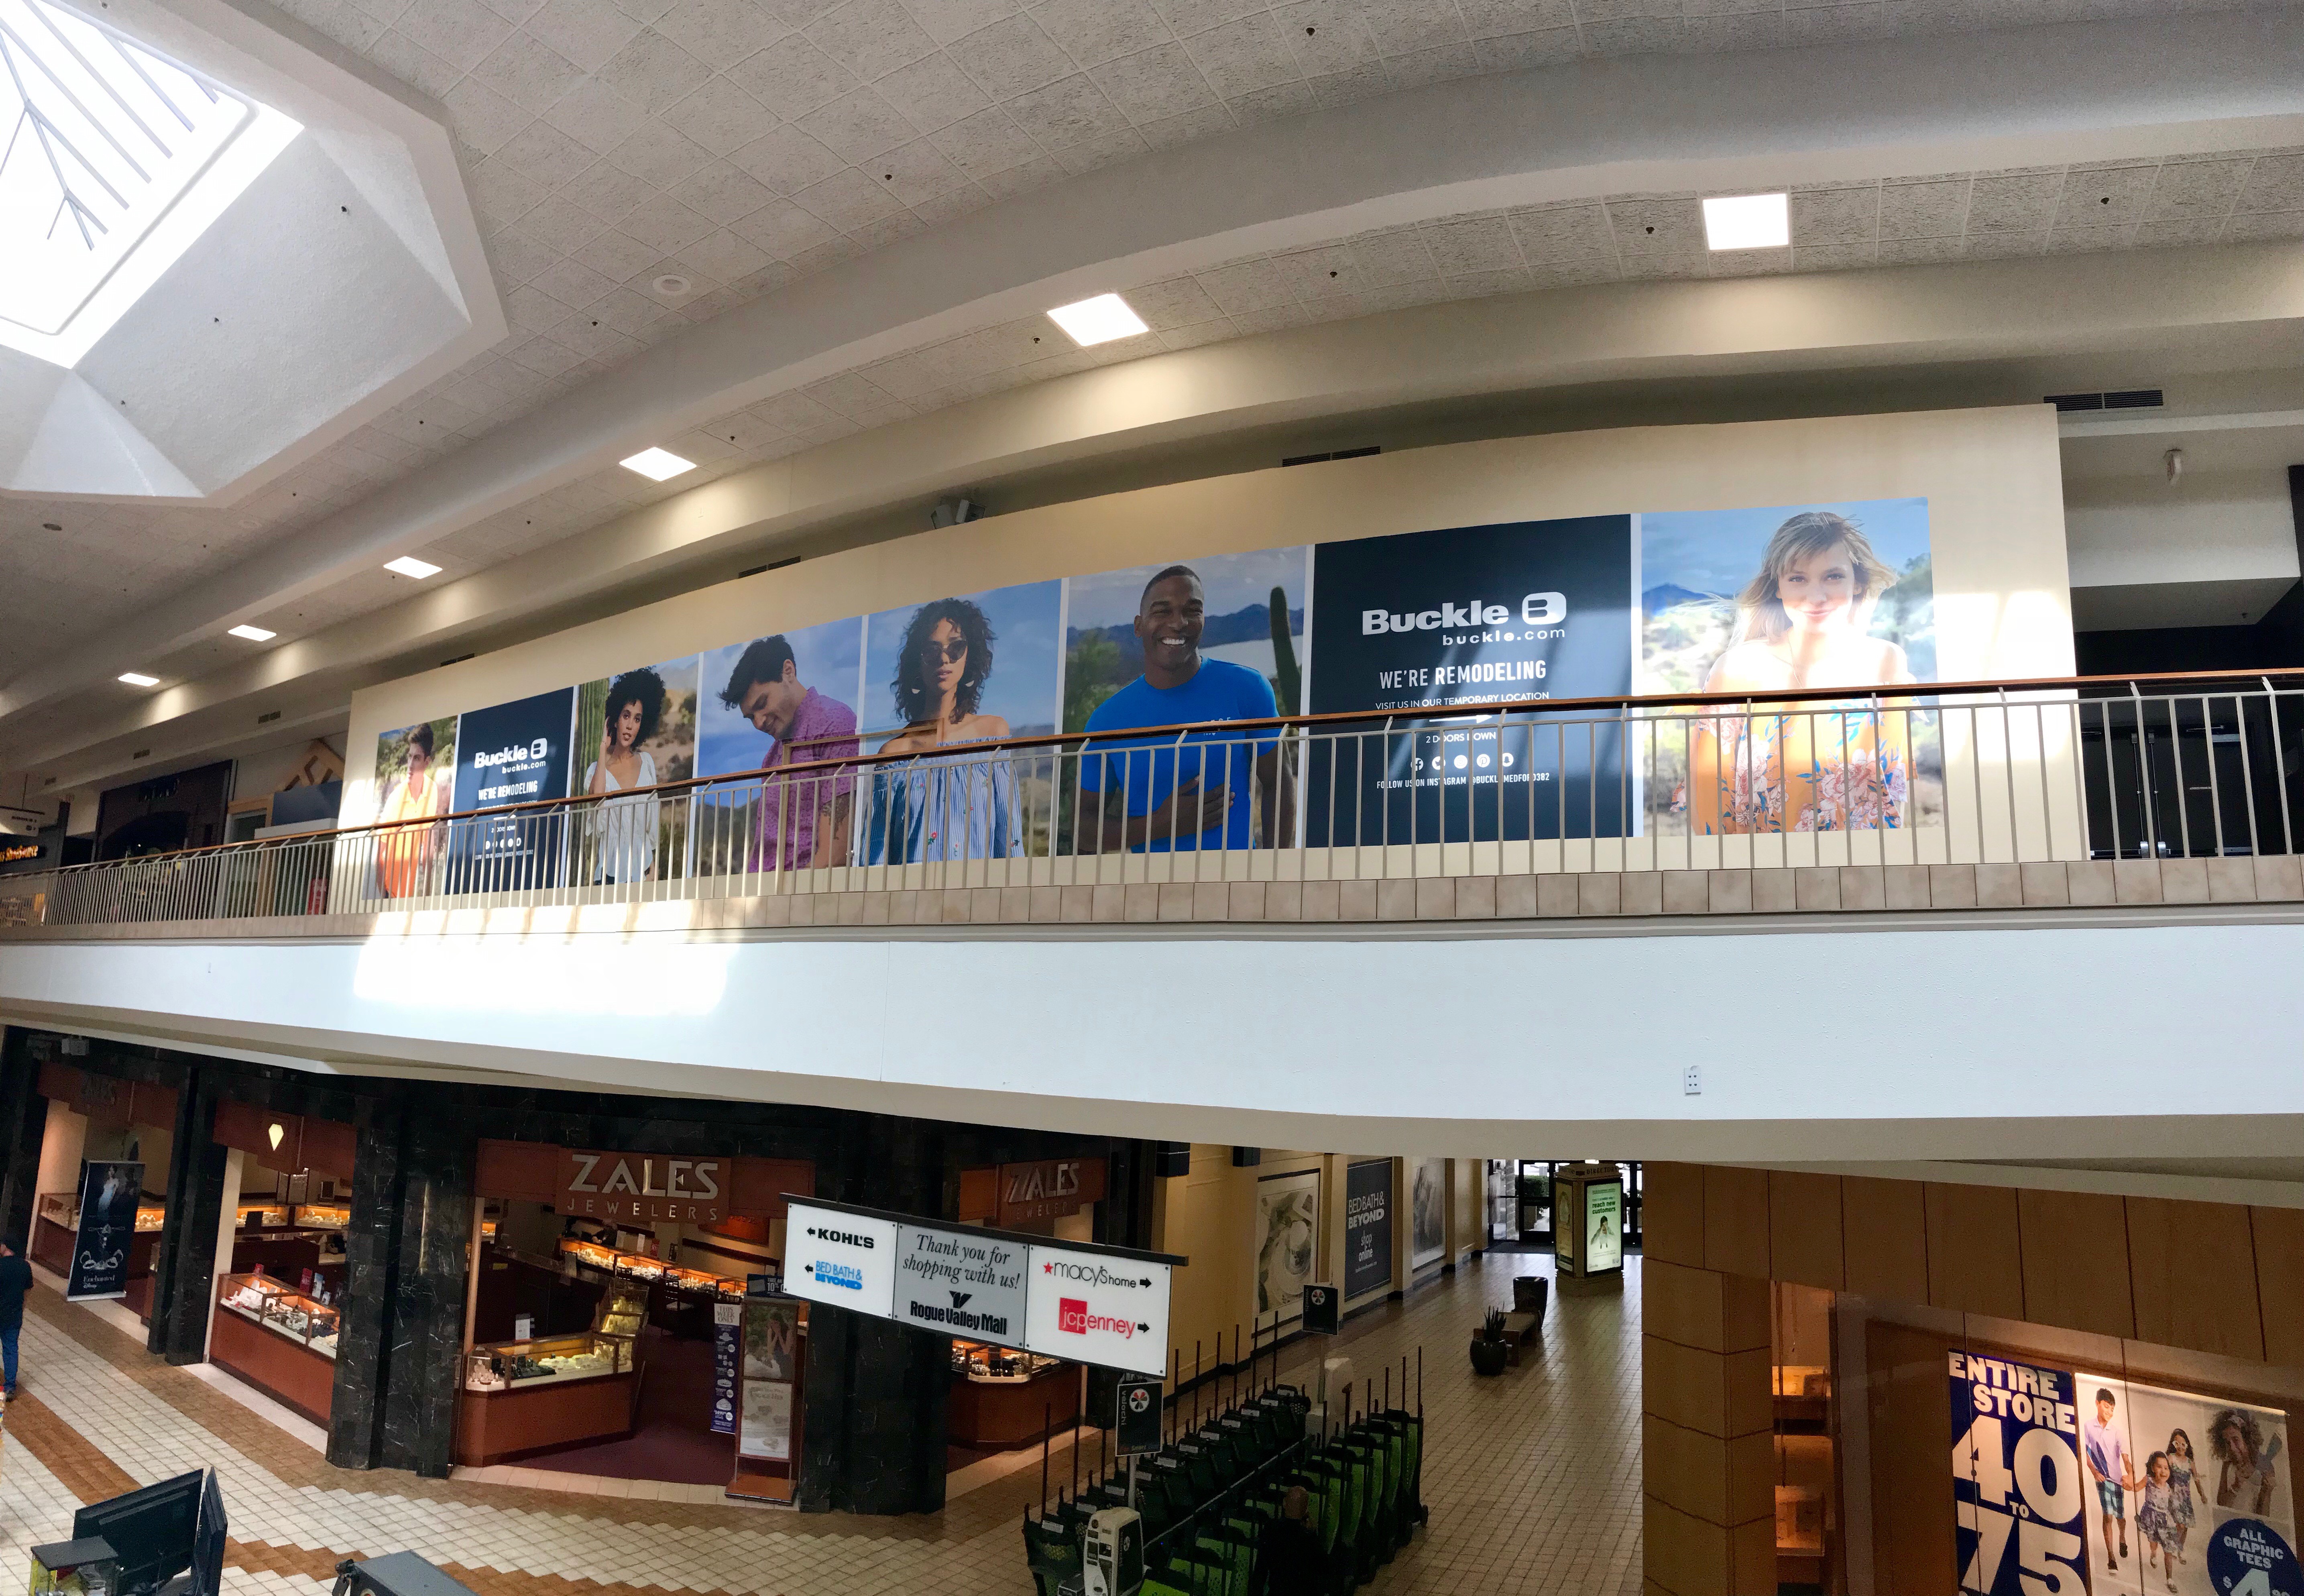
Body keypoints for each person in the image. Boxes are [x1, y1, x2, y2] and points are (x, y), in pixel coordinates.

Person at [1687, 511, 1917, 835]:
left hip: (1857, 863)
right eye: (1797, 579)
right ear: (1778, 588)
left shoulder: (1885, 659)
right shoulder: (1737, 667)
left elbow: (1894, 782)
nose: (1816, 597)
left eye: (1833, 576)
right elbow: (1708, 788)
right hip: (1759, 864)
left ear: (1858, 583)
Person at [1078, 566, 1294, 853]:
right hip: (1149, 891)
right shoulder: (1107, 720)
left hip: (1236, 887)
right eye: (1162, 611)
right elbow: (1084, 829)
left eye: (1192, 610)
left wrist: (1273, 871)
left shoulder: (1247, 688)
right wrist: (1160, 824)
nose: (1179, 623)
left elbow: (1278, 781)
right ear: (1139, 625)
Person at [863, 598, 1022, 863]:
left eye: (957, 647)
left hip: (978, 899)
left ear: (971, 655)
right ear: (918, 659)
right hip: (913, 901)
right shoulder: (894, 755)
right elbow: (877, 856)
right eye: (932, 649)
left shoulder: (992, 733)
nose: (945, 658)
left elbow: (1009, 837)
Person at [716, 636, 858, 871]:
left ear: (788, 671)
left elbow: (835, 855)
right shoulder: (774, 754)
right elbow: (763, 846)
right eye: (751, 717)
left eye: (762, 703)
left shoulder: (834, 724)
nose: (759, 722)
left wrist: (789, 902)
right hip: (763, 896)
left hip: (797, 898)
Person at [584, 668, 665, 883]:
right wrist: (604, 747)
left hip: (644, 872)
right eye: (626, 715)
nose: (630, 725)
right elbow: (595, 798)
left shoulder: (646, 763)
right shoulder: (596, 770)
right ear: (616, 719)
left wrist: (653, 869)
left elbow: (650, 822)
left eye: (637, 719)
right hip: (610, 877)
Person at [375, 721, 450, 898]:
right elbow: (380, 853)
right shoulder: (396, 799)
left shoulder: (432, 790)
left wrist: (428, 893)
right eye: (409, 757)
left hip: (412, 893)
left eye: (416, 758)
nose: (410, 764)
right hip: (390, 891)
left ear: (427, 762)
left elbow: (429, 838)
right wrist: (381, 900)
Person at [2084, 1387, 2138, 1576]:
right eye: (2107, 1407)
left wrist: (2130, 1474)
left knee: (2120, 1518)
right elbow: (2085, 1452)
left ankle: (2122, 1538)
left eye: (2113, 1409)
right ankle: (2111, 1558)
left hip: (2117, 1480)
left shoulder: (2117, 1432)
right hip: (2103, 1479)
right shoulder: (2088, 1427)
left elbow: (2126, 1458)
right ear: (2098, 1404)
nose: (2110, 1412)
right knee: (2107, 1515)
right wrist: (2094, 1471)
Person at [1249, 1484, 1327, 1596]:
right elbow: (1321, 1570)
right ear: (1306, 1509)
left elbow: (1260, 1571)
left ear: (1285, 1503)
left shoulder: (1271, 1530)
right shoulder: (1309, 1537)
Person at [2212, 1407, 2284, 1516]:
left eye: (2236, 1440)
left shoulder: (2266, 1469)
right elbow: (2221, 1504)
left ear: (2247, 1440)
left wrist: (2266, 1492)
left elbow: (2264, 1517)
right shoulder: (2227, 1465)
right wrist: (2236, 1486)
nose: (2232, 1447)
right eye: (2227, 1443)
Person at [2138, 1451, 2179, 1592]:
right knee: (2153, 1541)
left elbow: (2172, 1506)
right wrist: (2127, 1484)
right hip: (2150, 1517)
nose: (2163, 1471)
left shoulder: (2169, 1488)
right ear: (2152, 1468)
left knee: (2168, 1550)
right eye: (2159, 1467)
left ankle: (2170, 1579)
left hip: (2165, 1521)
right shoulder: (2148, 1480)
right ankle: (2154, 1553)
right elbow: (2136, 1487)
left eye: (2166, 1468)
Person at [2165, 1428, 2204, 1565]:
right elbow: (2164, 1475)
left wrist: (2202, 1495)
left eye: (2183, 1444)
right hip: (2174, 1496)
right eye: (2177, 1444)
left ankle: (2180, 1549)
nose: (2180, 1447)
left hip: (2186, 1498)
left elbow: (2197, 1480)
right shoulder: (2171, 1459)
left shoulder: (2190, 1462)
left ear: (2187, 1446)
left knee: (2186, 1526)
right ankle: (2174, 1547)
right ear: (2173, 1444)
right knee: (2180, 1525)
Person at [0, 1236, 30, 1400]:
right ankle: (10, 1386)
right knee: (11, 1349)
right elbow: (27, 1291)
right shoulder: (25, 1267)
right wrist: (22, 1309)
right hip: (14, 1315)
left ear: (5, 1247)